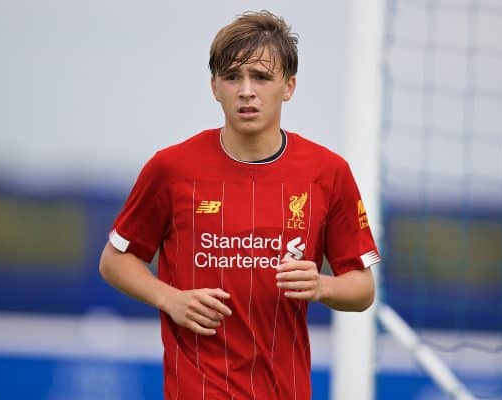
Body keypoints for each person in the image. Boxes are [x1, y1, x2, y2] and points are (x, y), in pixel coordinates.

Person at [99, 10, 380, 400]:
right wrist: (170, 299)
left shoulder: (327, 172)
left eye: (261, 77)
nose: (246, 90)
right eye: (233, 77)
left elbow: (363, 288)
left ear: (289, 86)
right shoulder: (171, 168)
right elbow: (114, 261)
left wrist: (321, 285)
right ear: (215, 86)